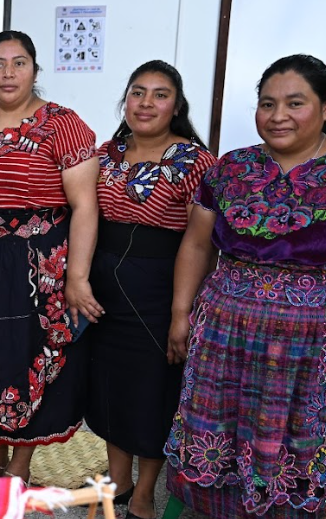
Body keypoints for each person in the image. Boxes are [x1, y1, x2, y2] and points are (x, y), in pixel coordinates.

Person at [164, 54, 326, 518]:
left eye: (295, 103)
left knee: (299, 448)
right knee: (219, 439)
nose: (278, 116)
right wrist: (181, 313)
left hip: (312, 347)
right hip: (222, 335)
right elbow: (196, 246)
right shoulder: (231, 169)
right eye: (267, 103)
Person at [0, 30, 101, 482]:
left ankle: (19, 463)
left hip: (42, 264)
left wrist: (78, 278)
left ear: (35, 69)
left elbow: (85, 206)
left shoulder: (62, 123)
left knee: (31, 359)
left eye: (19, 63)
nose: (8, 73)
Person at [85, 60, 216, 519]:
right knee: (110, 387)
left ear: (176, 106)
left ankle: (144, 493)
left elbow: (204, 242)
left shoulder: (197, 162)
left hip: (161, 289)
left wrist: (186, 309)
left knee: (152, 392)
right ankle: (118, 480)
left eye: (159, 94)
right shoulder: (107, 152)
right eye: (137, 92)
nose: (146, 103)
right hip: (105, 289)